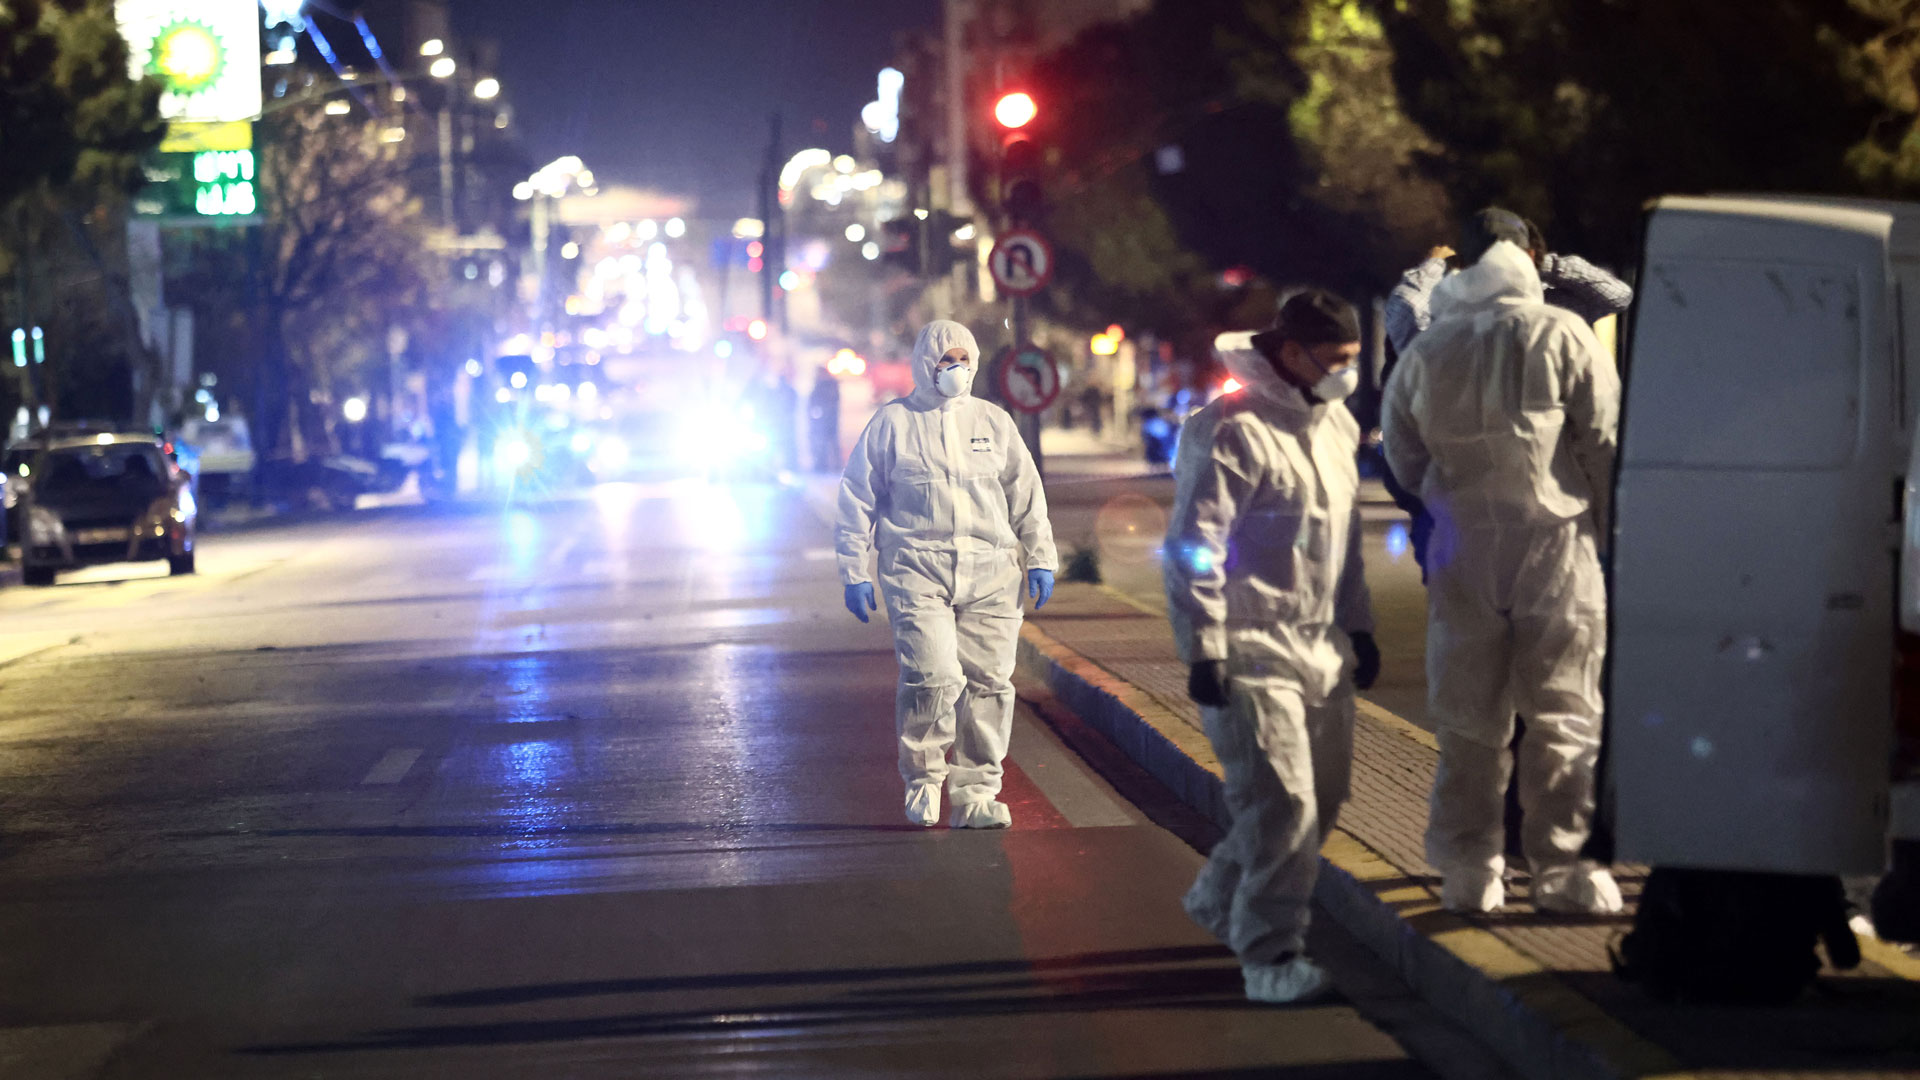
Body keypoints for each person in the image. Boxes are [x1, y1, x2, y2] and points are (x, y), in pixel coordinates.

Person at [1381, 212, 1623, 916]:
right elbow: (1603, 442)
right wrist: (1608, 535)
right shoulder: (1562, 334)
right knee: (1565, 713)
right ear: (1529, 259)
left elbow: (1400, 451)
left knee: (1467, 717)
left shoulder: (1431, 348)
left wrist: (1440, 504)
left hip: (1462, 546)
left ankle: (1471, 869)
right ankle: (1559, 868)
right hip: (1558, 543)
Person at [1164, 291, 1380, 1004]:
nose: (1350, 372)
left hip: (1319, 650)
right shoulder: (1237, 431)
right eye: (1339, 358)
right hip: (1250, 648)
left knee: (1324, 799)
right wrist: (1205, 648)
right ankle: (1269, 956)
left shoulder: (1335, 428)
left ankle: (1218, 894)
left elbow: (1342, 549)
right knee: (1283, 805)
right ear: (1290, 354)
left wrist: (1361, 626)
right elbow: (1197, 547)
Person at [836, 320, 1058, 829]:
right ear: (925, 364)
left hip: (991, 572)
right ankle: (923, 777)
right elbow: (856, 498)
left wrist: (1040, 555)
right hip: (917, 568)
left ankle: (977, 793)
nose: (956, 370)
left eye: (964, 361)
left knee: (989, 682)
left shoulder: (993, 422)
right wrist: (854, 569)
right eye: (946, 361)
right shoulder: (892, 423)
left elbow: (1026, 493)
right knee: (932, 676)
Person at [808, 366, 842, 473]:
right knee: (823, 442)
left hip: (828, 419)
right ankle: (823, 464)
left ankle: (831, 465)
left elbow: (830, 401)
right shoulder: (823, 385)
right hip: (822, 420)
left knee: (829, 442)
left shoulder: (829, 385)